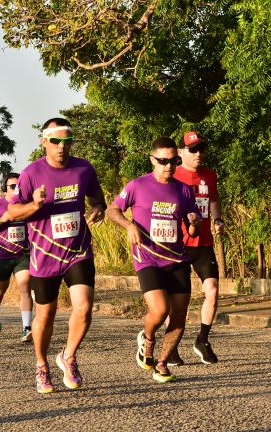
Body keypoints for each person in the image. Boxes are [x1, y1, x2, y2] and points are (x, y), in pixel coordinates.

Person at [7, 117, 106, 393]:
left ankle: (68, 356)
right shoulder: (30, 173)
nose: (61, 147)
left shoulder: (83, 169)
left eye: (67, 141)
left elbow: (98, 198)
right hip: (44, 255)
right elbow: (12, 212)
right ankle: (41, 365)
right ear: (44, 142)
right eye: (55, 141)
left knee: (84, 307)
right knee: (45, 316)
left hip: (78, 250)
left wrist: (98, 207)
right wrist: (33, 205)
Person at [107, 137, 201, 383]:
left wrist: (193, 224)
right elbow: (112, 210)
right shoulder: (137, 186)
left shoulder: (183, 190)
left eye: (173, 161)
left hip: (177, 258)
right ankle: (147, 338)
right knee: (160, 310)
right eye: (163, 161)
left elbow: (192, 231)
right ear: (152, 160)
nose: (168, 166)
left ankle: (162, 362)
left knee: (179, 317)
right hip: (147, 257)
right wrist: (128, 225)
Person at [170, 132, 223, 365]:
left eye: (201, 149)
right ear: (180, 152)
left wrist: (218, 219)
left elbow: (214, 199)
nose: (198, 154)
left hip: (203, 244)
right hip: (178, 245)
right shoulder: (172, 176)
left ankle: (202, 340)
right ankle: (170, 346)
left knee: (212, 289)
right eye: (193, 150)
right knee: (178, 301)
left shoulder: (209, 175)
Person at [0, 172, 33, 342]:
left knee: (25, 288)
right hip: (2, 256)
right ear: (5, 188)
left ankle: (26, 328)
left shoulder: (26, 205)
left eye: (19, 186)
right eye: (12, 186)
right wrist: (3, 219)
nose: (16, 189)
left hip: (22, 255)